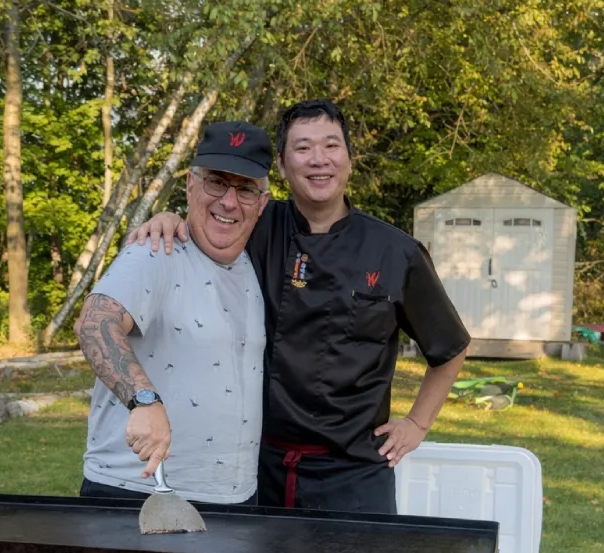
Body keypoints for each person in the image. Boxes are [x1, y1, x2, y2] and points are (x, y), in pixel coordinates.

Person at [131, 99, 470, 514]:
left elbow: (449, 348)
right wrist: (169, 219)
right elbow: (209, 218)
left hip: (356, 474)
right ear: (281, 164)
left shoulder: (396, 252)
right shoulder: (253, 228)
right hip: (256, 468)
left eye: (331, 146)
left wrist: (417, 423)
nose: (318, 159)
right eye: (303, 148)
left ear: (349, 160)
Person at [75, 121, 274, 504]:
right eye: (216, 182)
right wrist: (143, 400)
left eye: (246, 189)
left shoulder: (252, 264)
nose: (229, 201)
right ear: (190, 184)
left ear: (262, 203)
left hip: (234, 500)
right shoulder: (155, 251)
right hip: (136, 493)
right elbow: (94, 323)